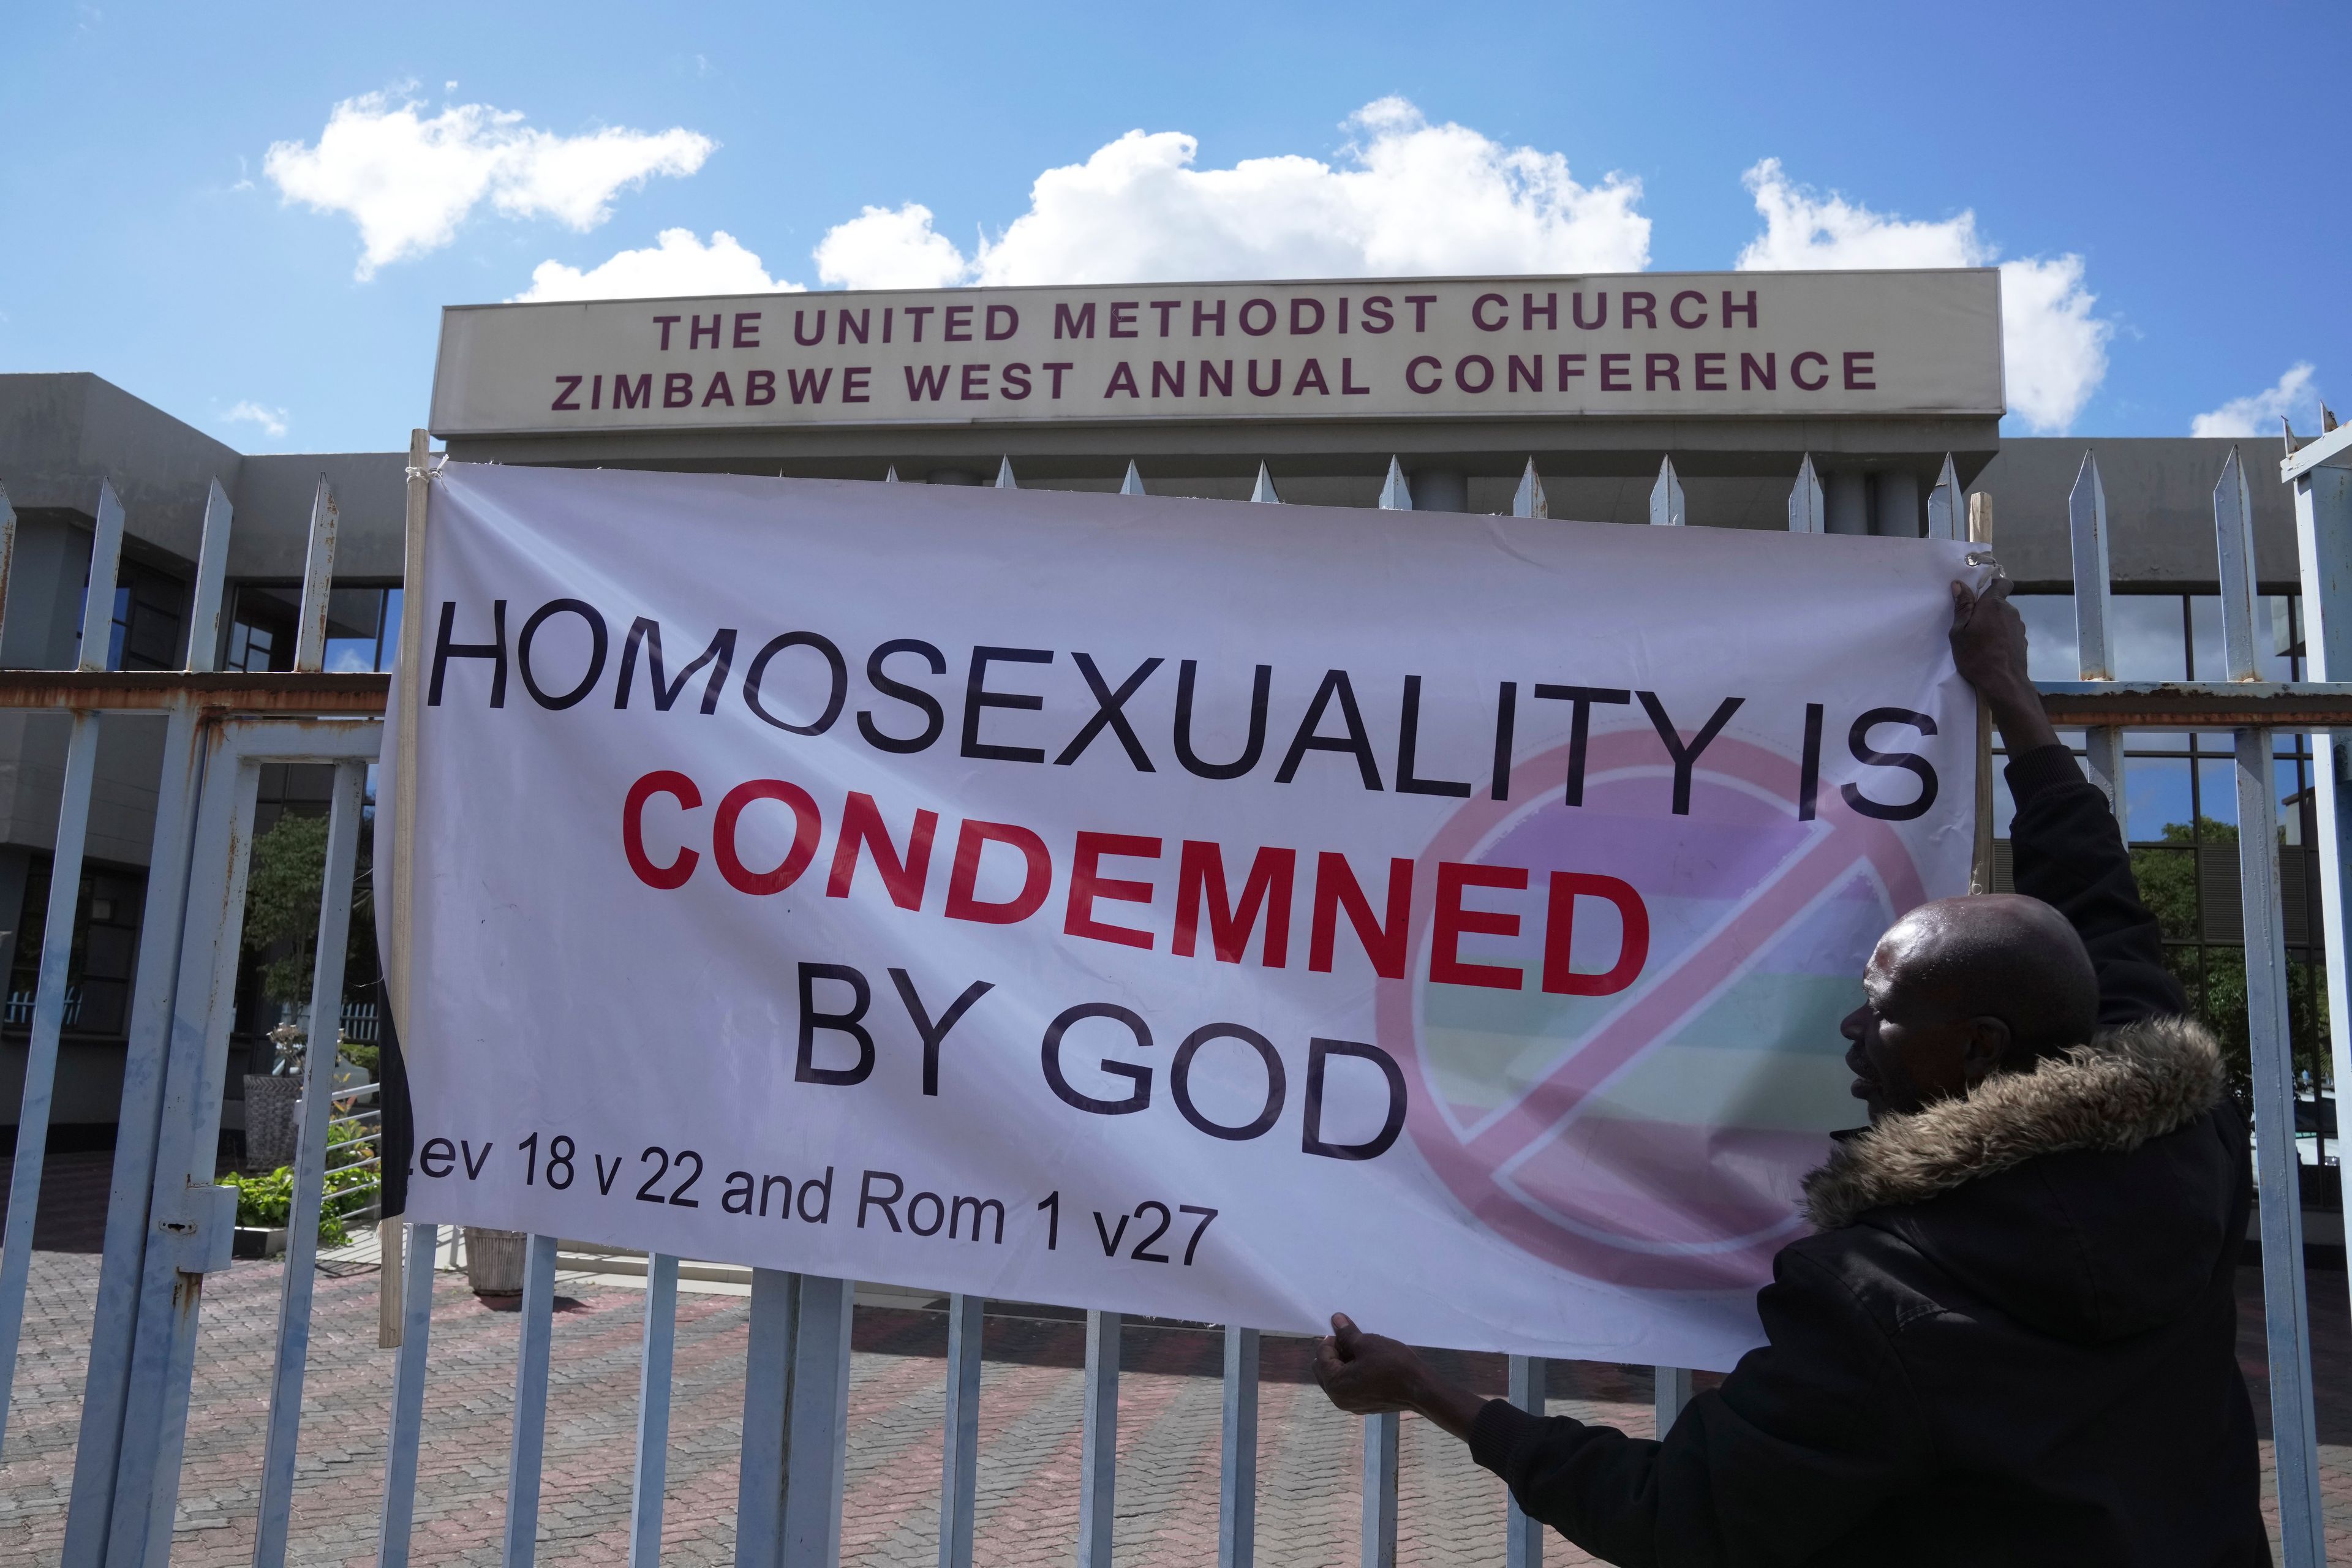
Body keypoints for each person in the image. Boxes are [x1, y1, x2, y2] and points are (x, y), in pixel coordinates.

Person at [1313, 578, 2267, 1566]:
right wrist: (2014, 703)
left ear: (1982, 1046)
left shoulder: (1882, 1300)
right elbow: (2100, 909)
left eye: (1885, 1010)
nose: (1853, 1027)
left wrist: (1434, 1394)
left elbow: (1674, 1515)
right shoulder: (2185, 1135)